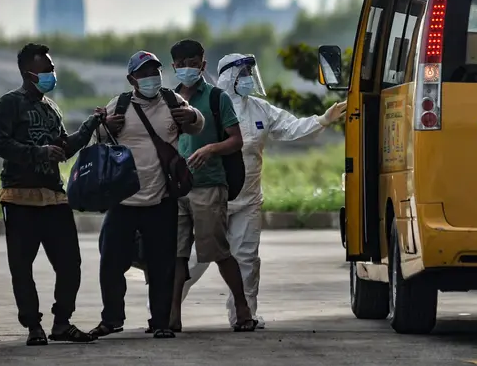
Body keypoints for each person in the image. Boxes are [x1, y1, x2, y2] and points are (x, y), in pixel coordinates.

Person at [147, 52, 347, 330]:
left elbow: (291, 127)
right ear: (229, 77)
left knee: (247, 260)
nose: (248, 81)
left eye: (250, 75)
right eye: (243, 76)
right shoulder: (212, 104)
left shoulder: (260, 109)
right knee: (193, 261)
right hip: (212, 195)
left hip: (248, 199)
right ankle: (163, 311)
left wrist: (323, 119)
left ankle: (245, 315)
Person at [88, 50, 204, 340]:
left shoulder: (172, 100)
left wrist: (192, 115)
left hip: (161, 198)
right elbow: (97, 140)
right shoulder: (121, 104)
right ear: (132, 79)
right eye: (144, 73)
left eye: (155, 71)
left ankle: (161, 322)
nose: (152, 77)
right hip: (124, 199)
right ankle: (112, 319)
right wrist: (105, 129)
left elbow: (196, 123)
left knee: (162, 264)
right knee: (111, 262)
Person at [0, 43, 101, 346]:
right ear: (29, 72)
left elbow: (64, 148)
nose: (53, 73)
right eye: (47, 69)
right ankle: (33, 326)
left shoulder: (52, 109)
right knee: (22, 266)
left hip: (54, 197)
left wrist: (91, 125)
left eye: (52, 68)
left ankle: (62, 322)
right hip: (19, 197)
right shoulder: (9, 104)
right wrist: (37, 152)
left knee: (70, 263)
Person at [165, 39, 257, 332]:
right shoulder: (167, 100)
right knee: (177, 256)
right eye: (182, 64)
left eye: (194, 63)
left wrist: (211, 149)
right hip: (174, 187)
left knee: (217, 251)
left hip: (208, 185)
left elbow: (236, 140)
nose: (188, 69)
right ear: (174, 67)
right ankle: (172, 316)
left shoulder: (217, 98)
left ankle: (242, 308)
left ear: (203, 65)